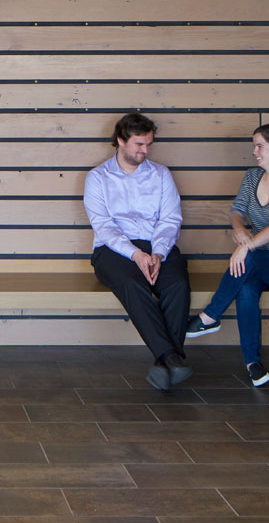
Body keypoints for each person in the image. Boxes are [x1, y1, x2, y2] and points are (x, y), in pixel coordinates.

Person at [183, 119, 269, 387]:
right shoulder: (252, 176)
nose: (255, 152)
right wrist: (239, 229)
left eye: (260, 146)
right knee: (246, 289)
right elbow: (237, 210)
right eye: (255, 146)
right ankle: (253, 363)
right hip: (257, 264)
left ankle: (209, 316)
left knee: (248, 261)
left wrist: (247, 247)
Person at [85, 112, 193, 391]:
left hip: (158, 246)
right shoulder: (98, 178)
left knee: (178, 284)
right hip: (114, 251)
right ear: (120, 141)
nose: (145, 151)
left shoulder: (161, 174)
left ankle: (164, 363)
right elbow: (104, 227)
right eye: (139, 145)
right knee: (133, 284)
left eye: (148, 145)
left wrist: (157, 253)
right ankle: (171, 356)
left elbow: (170, 219)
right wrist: (135, 254)